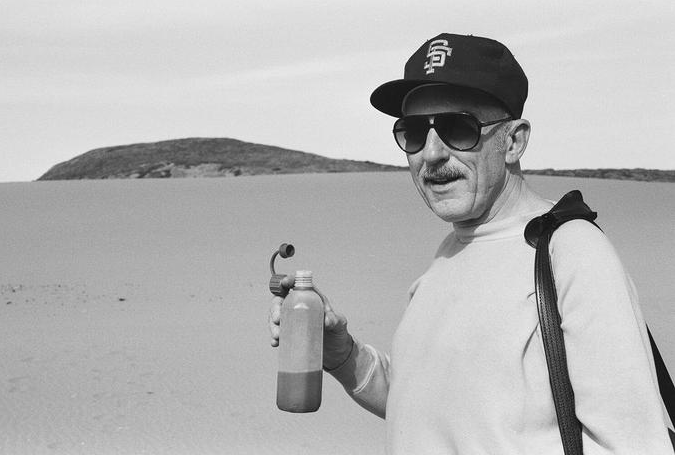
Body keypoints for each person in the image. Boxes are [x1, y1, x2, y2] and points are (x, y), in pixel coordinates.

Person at [268, 32, 673, 454]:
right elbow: (422, 409)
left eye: (458, 128)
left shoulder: (569, 253)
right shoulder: (450, 253)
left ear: (513, 141)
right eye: (413, 133)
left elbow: (635, 444)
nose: (432, 154)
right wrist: (341, 354)